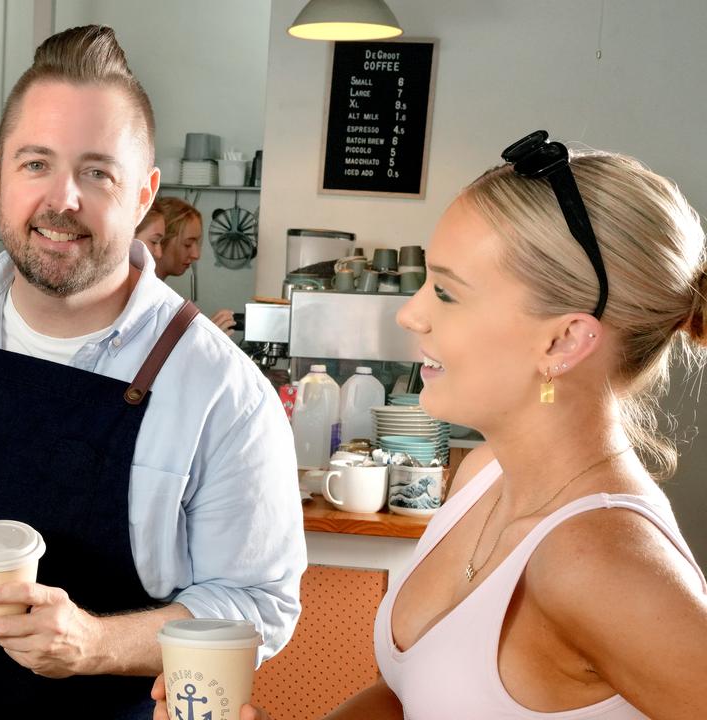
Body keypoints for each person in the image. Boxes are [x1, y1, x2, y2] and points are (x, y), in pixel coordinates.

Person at [0, 25, 304, 719]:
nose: (61, 198)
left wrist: (96, 643)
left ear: (143, 194)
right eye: (35, 163)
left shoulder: (221, 391)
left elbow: (256, 609)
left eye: (97, 171)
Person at [157, 132, 707, 719]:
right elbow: (407, 698)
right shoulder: (482, 475)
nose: (410, 312)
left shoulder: (601, 559)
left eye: (446, 292)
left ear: (564, 339)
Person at [152, 196, 236, 334]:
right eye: (187, 244)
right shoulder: (146, 297)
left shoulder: (161, 295)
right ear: (161, 240)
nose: (196, 255)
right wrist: (206, 337)